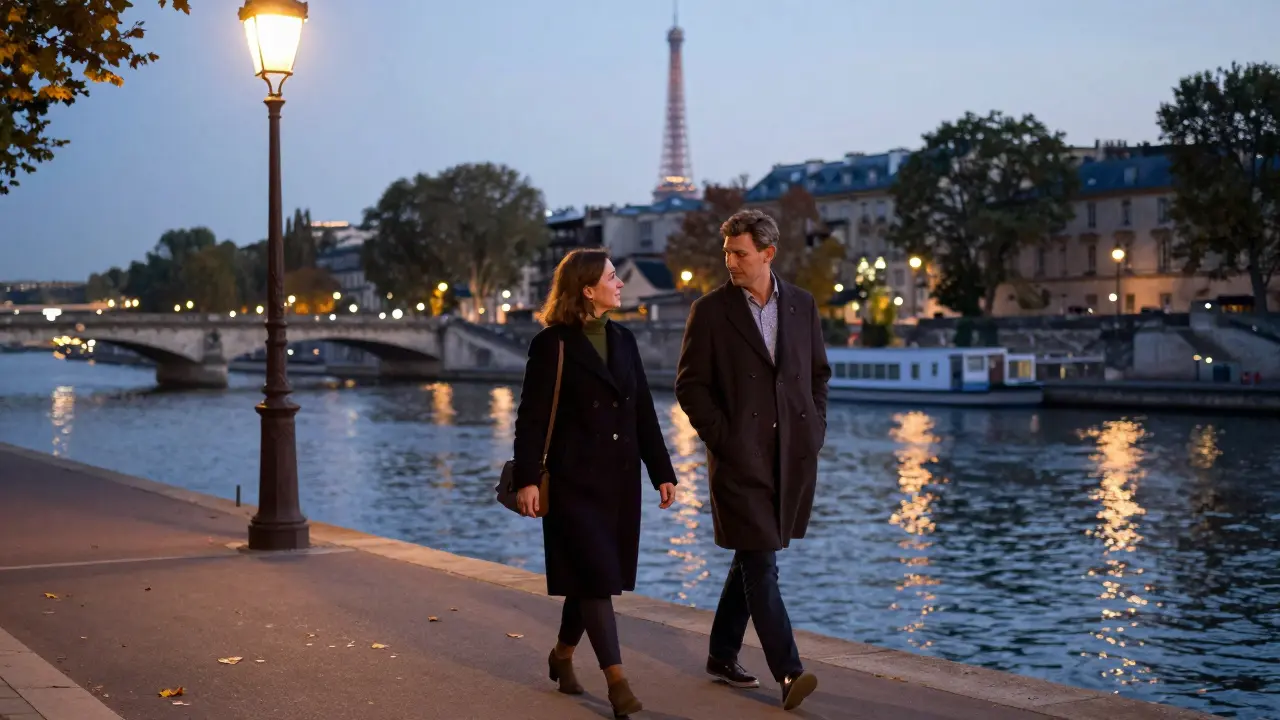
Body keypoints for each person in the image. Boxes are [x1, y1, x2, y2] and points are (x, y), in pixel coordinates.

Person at [674, 208, 831, 711]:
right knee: (761, 562)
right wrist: (726, 439)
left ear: (768, 253)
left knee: (752, 555)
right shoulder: (710, 311)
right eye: (727, 252)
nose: (731, 262)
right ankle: (789, 672)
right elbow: (690, 387)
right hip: (739, 460)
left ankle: (722, 654)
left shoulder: (802, 305)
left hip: (790, 458)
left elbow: (819, 375)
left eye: (740, 253)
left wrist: (814, 429)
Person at [512, 248, 678, 718]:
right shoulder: (552, 344)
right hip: (572, 483)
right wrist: (527, 479)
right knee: (596, 578)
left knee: (589, 578)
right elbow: (531, 418)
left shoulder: (624, 339)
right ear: (587, 289)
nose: (620, 284)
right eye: (611, 277)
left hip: (619, 482)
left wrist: (662, 471)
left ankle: (562, 655)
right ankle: (617, 682)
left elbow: (642, 411)